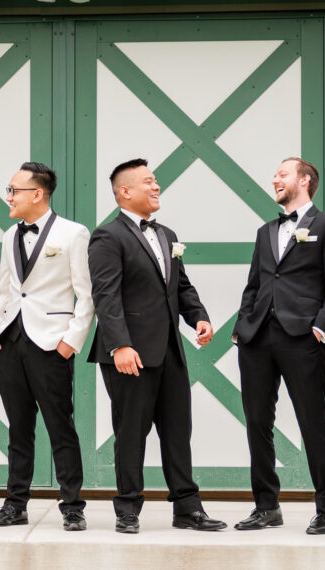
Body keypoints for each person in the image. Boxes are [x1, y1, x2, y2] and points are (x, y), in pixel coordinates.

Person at [87, 158, 225, 534]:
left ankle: (187, 508)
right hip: (129, 354)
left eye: (156, 181)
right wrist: (120, 345)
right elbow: (106, 296)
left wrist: (198, 316)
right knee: (131, 433)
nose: (156, 187)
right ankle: (128, 508)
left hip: (169, 351)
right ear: (125, 191)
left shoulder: (167, 234)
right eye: (148, 181)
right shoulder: (107, 236)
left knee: (178, 431)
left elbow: (180, 286)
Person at [231, 158, 325, 534]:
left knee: (311, 422)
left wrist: (320, 331)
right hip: (256, 339)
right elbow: (254, 284)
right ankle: (266, 506)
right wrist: (241, 328)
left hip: (302, 338)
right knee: (257, 423)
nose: (275, 179)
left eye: (282, 174)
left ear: (304, 180)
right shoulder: (265, 231)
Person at [0, 162, 93, 531]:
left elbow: (86, 294)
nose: (9, 197)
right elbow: (4, 287)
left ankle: (72, 505)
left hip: (51, 343)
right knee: (18, 429)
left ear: (38, 194)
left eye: (14, 190)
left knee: (61, 427)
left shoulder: (73, 233)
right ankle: (15, 505)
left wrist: (70, 342)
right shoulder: (9, 235)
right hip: (10, 342)